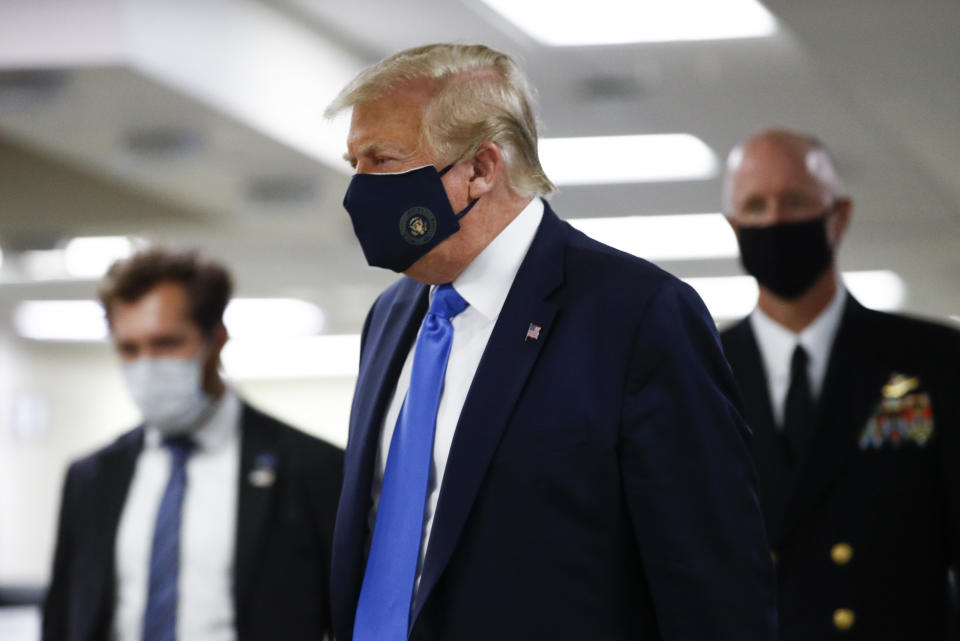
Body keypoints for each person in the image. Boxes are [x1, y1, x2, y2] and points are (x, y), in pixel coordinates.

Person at [325, 43, 776, 641]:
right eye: (353, 162)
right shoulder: (392, 316)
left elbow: (715, 590)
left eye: (381, 160)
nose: (359, 189)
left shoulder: (638, 316)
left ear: (481, 169)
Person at [720, 128, 960, 639]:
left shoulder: (935, 361)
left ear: (839, 216)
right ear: (734, 226)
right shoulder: (696, 370)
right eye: (756, 205)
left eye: (795, 200)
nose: (776, 219)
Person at [42, 248, 344, 641]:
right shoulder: (91, 477)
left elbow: (347, 616)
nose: (146, 366)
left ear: (214, 338)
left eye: (166, 344)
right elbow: (62, 617)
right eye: (129, 349)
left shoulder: (312, 468)